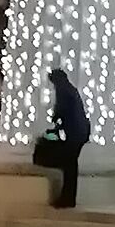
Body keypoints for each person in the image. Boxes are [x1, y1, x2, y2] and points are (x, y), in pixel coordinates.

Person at [34, 66, 90, 208]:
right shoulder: (70, 90)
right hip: (79, 133)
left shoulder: (63, 91)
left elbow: (60, 113)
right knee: (70, 165)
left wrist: (53, 128)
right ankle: (68, 198)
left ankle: (67, 198)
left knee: (68, 164)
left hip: (74, 134)